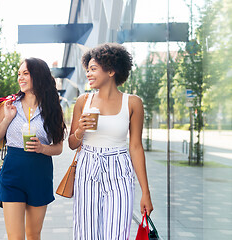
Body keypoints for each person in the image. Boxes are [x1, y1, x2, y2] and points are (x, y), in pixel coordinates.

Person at [68, 43, 153, 239]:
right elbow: (72, 144)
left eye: (94, 69)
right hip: (87, 166)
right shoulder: (83, 101)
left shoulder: (132, 103)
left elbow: (136, 147)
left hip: (120, 169)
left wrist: (145, 192)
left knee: (117, 233)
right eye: (87, 69)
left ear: (112, 70)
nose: (88, 74)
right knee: (85, 233)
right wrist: (81, 129)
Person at [0, 57, 66, 240]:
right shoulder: (10, 104)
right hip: (12, 172)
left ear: (38, 76)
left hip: (40, 173)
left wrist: (42, 148)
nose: (20, 78)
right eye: (19, 74)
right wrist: (7, 118)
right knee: (15, 237)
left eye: (25, 73)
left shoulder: (53, 108)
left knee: (33, 235)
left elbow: (59, 148)